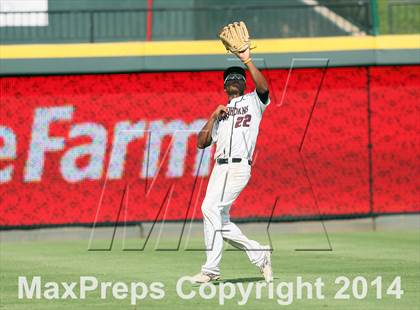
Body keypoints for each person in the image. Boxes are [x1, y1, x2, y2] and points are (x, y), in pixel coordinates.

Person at [192, 47, 273, 283]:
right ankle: (260, 255)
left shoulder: (253, 102)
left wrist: (246, 59)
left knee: (209, 208)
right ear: (225, 87)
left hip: (238, 167)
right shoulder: (222, 112)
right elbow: (201, 143)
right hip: (219, 168)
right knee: (221, 221)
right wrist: (213, 115)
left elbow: (264, 88)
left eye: (240, 78)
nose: (235, 80)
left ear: (244, 84)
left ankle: (211, 270)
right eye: (230, 79)